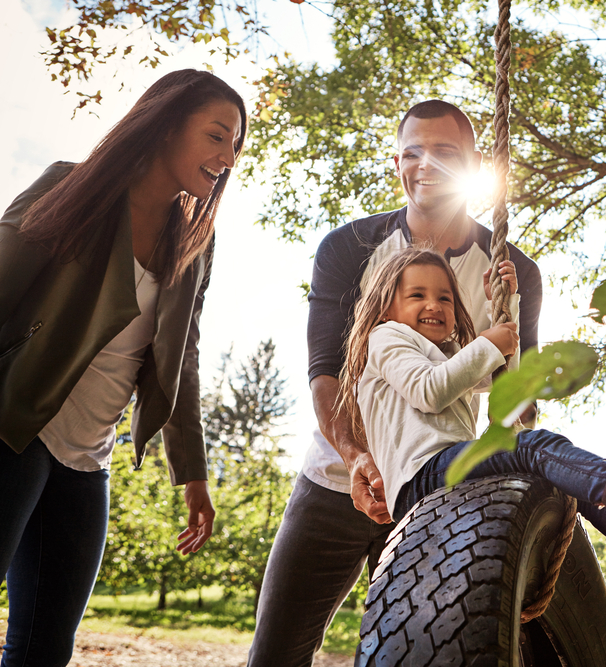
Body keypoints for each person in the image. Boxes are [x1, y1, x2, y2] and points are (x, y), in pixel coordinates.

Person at [247, 100, 545, 667]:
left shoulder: (513, 271)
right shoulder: (348, 248)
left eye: (444, 152)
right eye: (412, 152)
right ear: (397, 161)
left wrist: (507, 340)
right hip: (337, 477)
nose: (425, 164)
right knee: (275, 654)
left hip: (436, 491)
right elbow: (327, 372)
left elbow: (519, 402)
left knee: (425, 655)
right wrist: (357, 456)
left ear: (475, 163)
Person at [338, 247, 606, 602]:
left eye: (446, 297)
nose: (434, 304)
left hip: (446, 474)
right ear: (386, 306)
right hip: (422, 478)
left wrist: (505, 303)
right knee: (530, 446)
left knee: (564, 477)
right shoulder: (386, 338)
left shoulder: (446, 354)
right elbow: (430, 390)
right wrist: (488, 343)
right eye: (417, 295)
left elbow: (507, 381)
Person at [0, 69, 247, 667]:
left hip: (88, 461)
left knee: (43, 649)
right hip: (16, 429)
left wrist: (193, 472)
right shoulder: (72, 187)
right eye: (217, 136)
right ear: (165, 122)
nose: (228, 156)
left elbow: (180, 355)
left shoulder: (194, 241)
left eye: (237, 146)